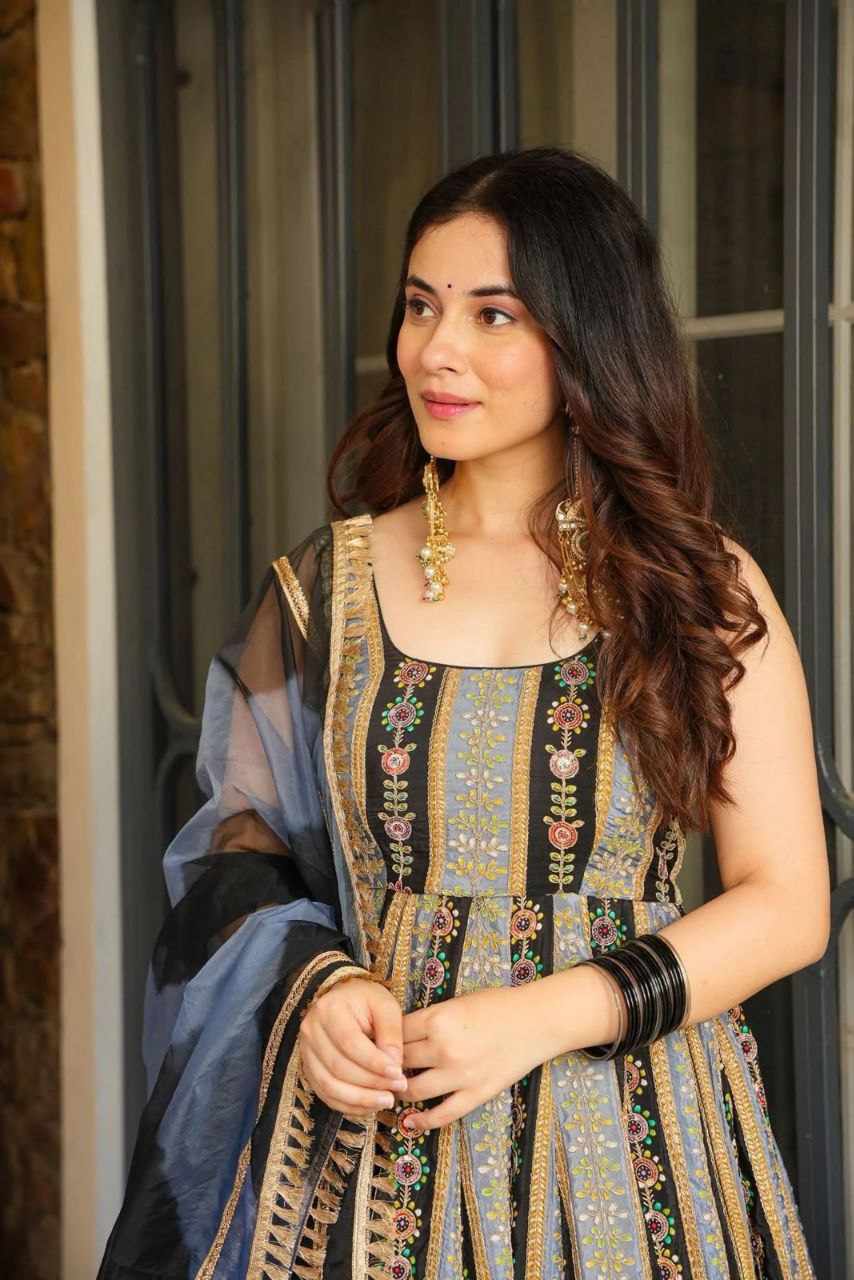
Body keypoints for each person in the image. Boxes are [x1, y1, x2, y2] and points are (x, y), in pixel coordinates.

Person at [98, 146, 828, 1279]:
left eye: (494, 314)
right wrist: (317, 989)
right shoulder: (322, 592)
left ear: (586, 337)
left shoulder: (695, 587)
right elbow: (237, 852)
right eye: (420, 306)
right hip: (373, 1145)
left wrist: (538, 1017)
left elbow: (786, 904)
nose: (437, 349)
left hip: (633, 1149)